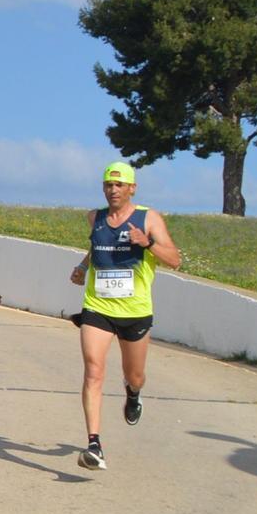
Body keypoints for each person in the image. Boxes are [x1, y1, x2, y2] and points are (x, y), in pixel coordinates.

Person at [68, 161, 180, 470]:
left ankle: (133, 394)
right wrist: (82, 267)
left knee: (135, 375)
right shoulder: (95, 218)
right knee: (93, 370)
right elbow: (98, 247)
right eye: (108, 184)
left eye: (119, 185)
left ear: (132, 188)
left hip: (135, 311)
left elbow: (175, 260)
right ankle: (94, 444)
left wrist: (148, 243)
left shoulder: (149, 219)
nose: (113, 190)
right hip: (98, 307)